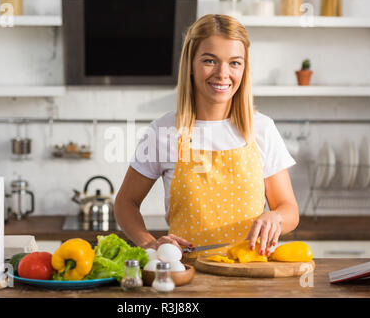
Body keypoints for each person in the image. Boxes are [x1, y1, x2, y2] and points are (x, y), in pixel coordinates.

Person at [114, 14, 299, 259]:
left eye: (235, 63)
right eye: (210, 60)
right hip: (189, 276)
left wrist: (275, 217)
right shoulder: (164, 130)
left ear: (244, 69)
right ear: (190, 64)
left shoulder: (261, 129)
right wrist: (149, 244)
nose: (223, 73)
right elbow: (125, 203)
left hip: (251, 279)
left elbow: (288, 209)